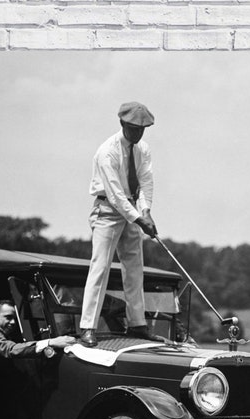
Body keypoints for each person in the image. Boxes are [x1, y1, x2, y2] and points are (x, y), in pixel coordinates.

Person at [79, 101, 163, 348]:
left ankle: (137, 324)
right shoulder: (108, 151)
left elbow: (146, 181)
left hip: (131, 209)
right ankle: (87, 327)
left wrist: (146, 210)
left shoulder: (143, 148)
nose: (138, 133)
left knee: (135, 268)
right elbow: (115, 194)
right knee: (101, 266)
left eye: (142, 129)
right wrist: (138, 218)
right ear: (122, 124)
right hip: (107, 210)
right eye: (134, 128)